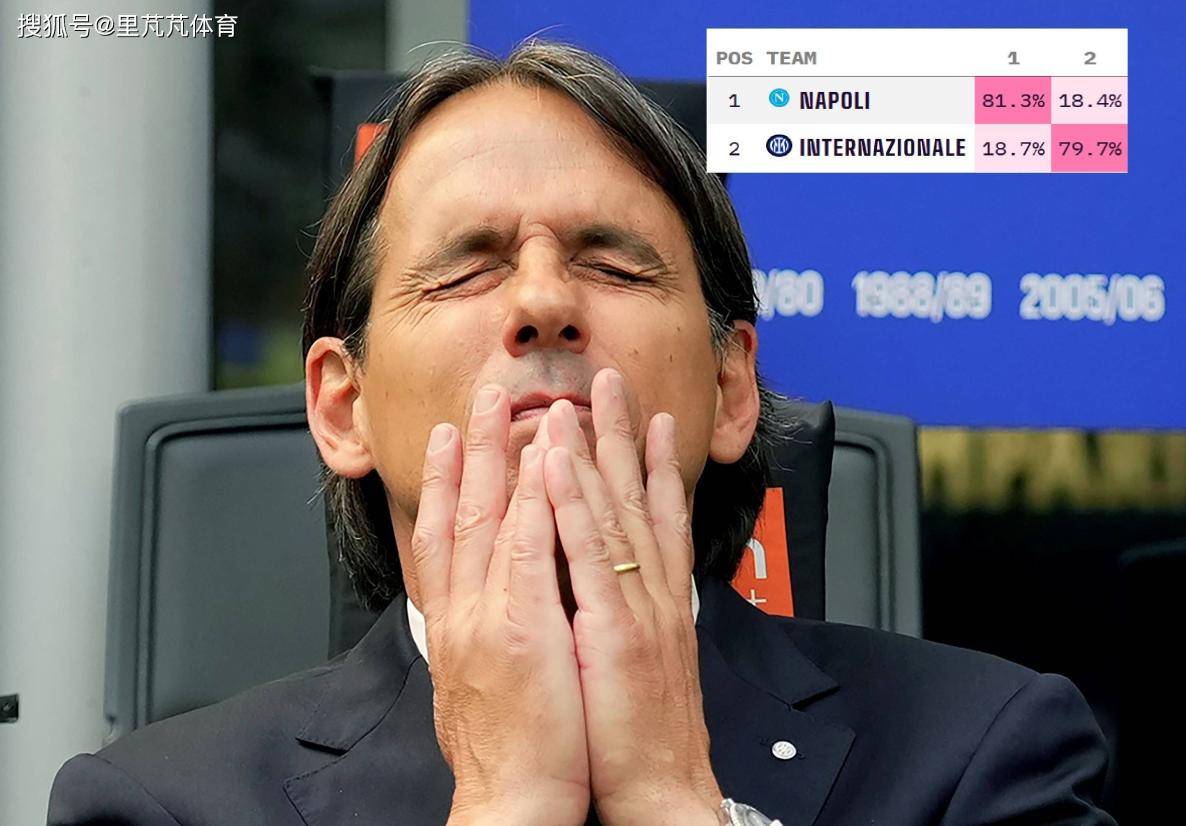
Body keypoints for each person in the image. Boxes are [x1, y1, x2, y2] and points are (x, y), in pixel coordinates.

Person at [47, 40, 1116, 825]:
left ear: (731, 387)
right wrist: (503, 807)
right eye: (466, 268)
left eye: (612, 264)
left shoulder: (985, 754)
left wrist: (676, 799)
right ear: (342, 406)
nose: (544, 302)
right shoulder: (158, 803)